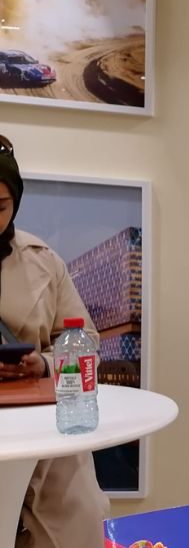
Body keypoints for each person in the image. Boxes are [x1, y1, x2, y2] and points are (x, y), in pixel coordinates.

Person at [0, 135, 110, 548]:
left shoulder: (43, 260)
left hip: (44, 424)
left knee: (79, 522)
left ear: (15, 203)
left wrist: (44, 363)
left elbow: (86, 341)